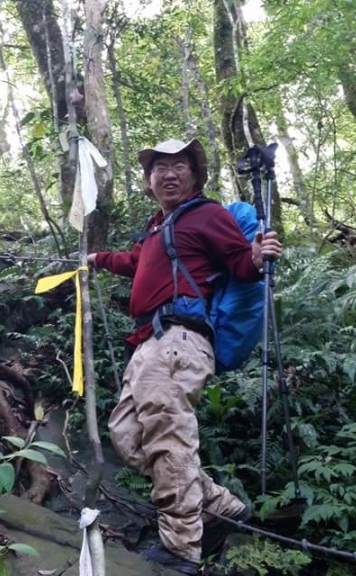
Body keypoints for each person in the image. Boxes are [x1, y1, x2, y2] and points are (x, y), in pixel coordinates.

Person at [87, 138, 283, 575]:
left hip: (180, 340)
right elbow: (132, 261)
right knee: (128, 436)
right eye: (159, 168)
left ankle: (181, 550)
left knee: (168, 438)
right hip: (148, 344)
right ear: (148, 182)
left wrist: (255, 255)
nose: (169, 174)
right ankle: (221, 506)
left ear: (195, 176)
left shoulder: (206, 215)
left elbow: (240, 262)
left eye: (179, 166)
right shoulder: (160, 228)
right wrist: (95, 258)